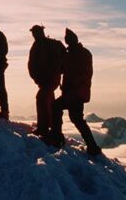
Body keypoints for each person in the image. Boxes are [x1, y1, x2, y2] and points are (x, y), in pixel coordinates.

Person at [50, 28, 102, 157]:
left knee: (57, 107)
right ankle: (92, 147)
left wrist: (73, 85)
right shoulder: (77, 53)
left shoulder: (79, 54)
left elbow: (84, 73)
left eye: (68, 39)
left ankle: (57, 138)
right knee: (77, 119)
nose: (67, 42)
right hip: (77, 93)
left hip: (75, 93)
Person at [27, 24, 65, 138]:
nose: (34, 35)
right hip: (46, 79)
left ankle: (43, 128)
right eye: (33, 33)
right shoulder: (42, 45)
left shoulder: (49, 44)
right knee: (48, 99)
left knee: (41, 98)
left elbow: (63, 60)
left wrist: (56, 73)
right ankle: (51, 125)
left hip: (50, 79)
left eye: (35, 32)